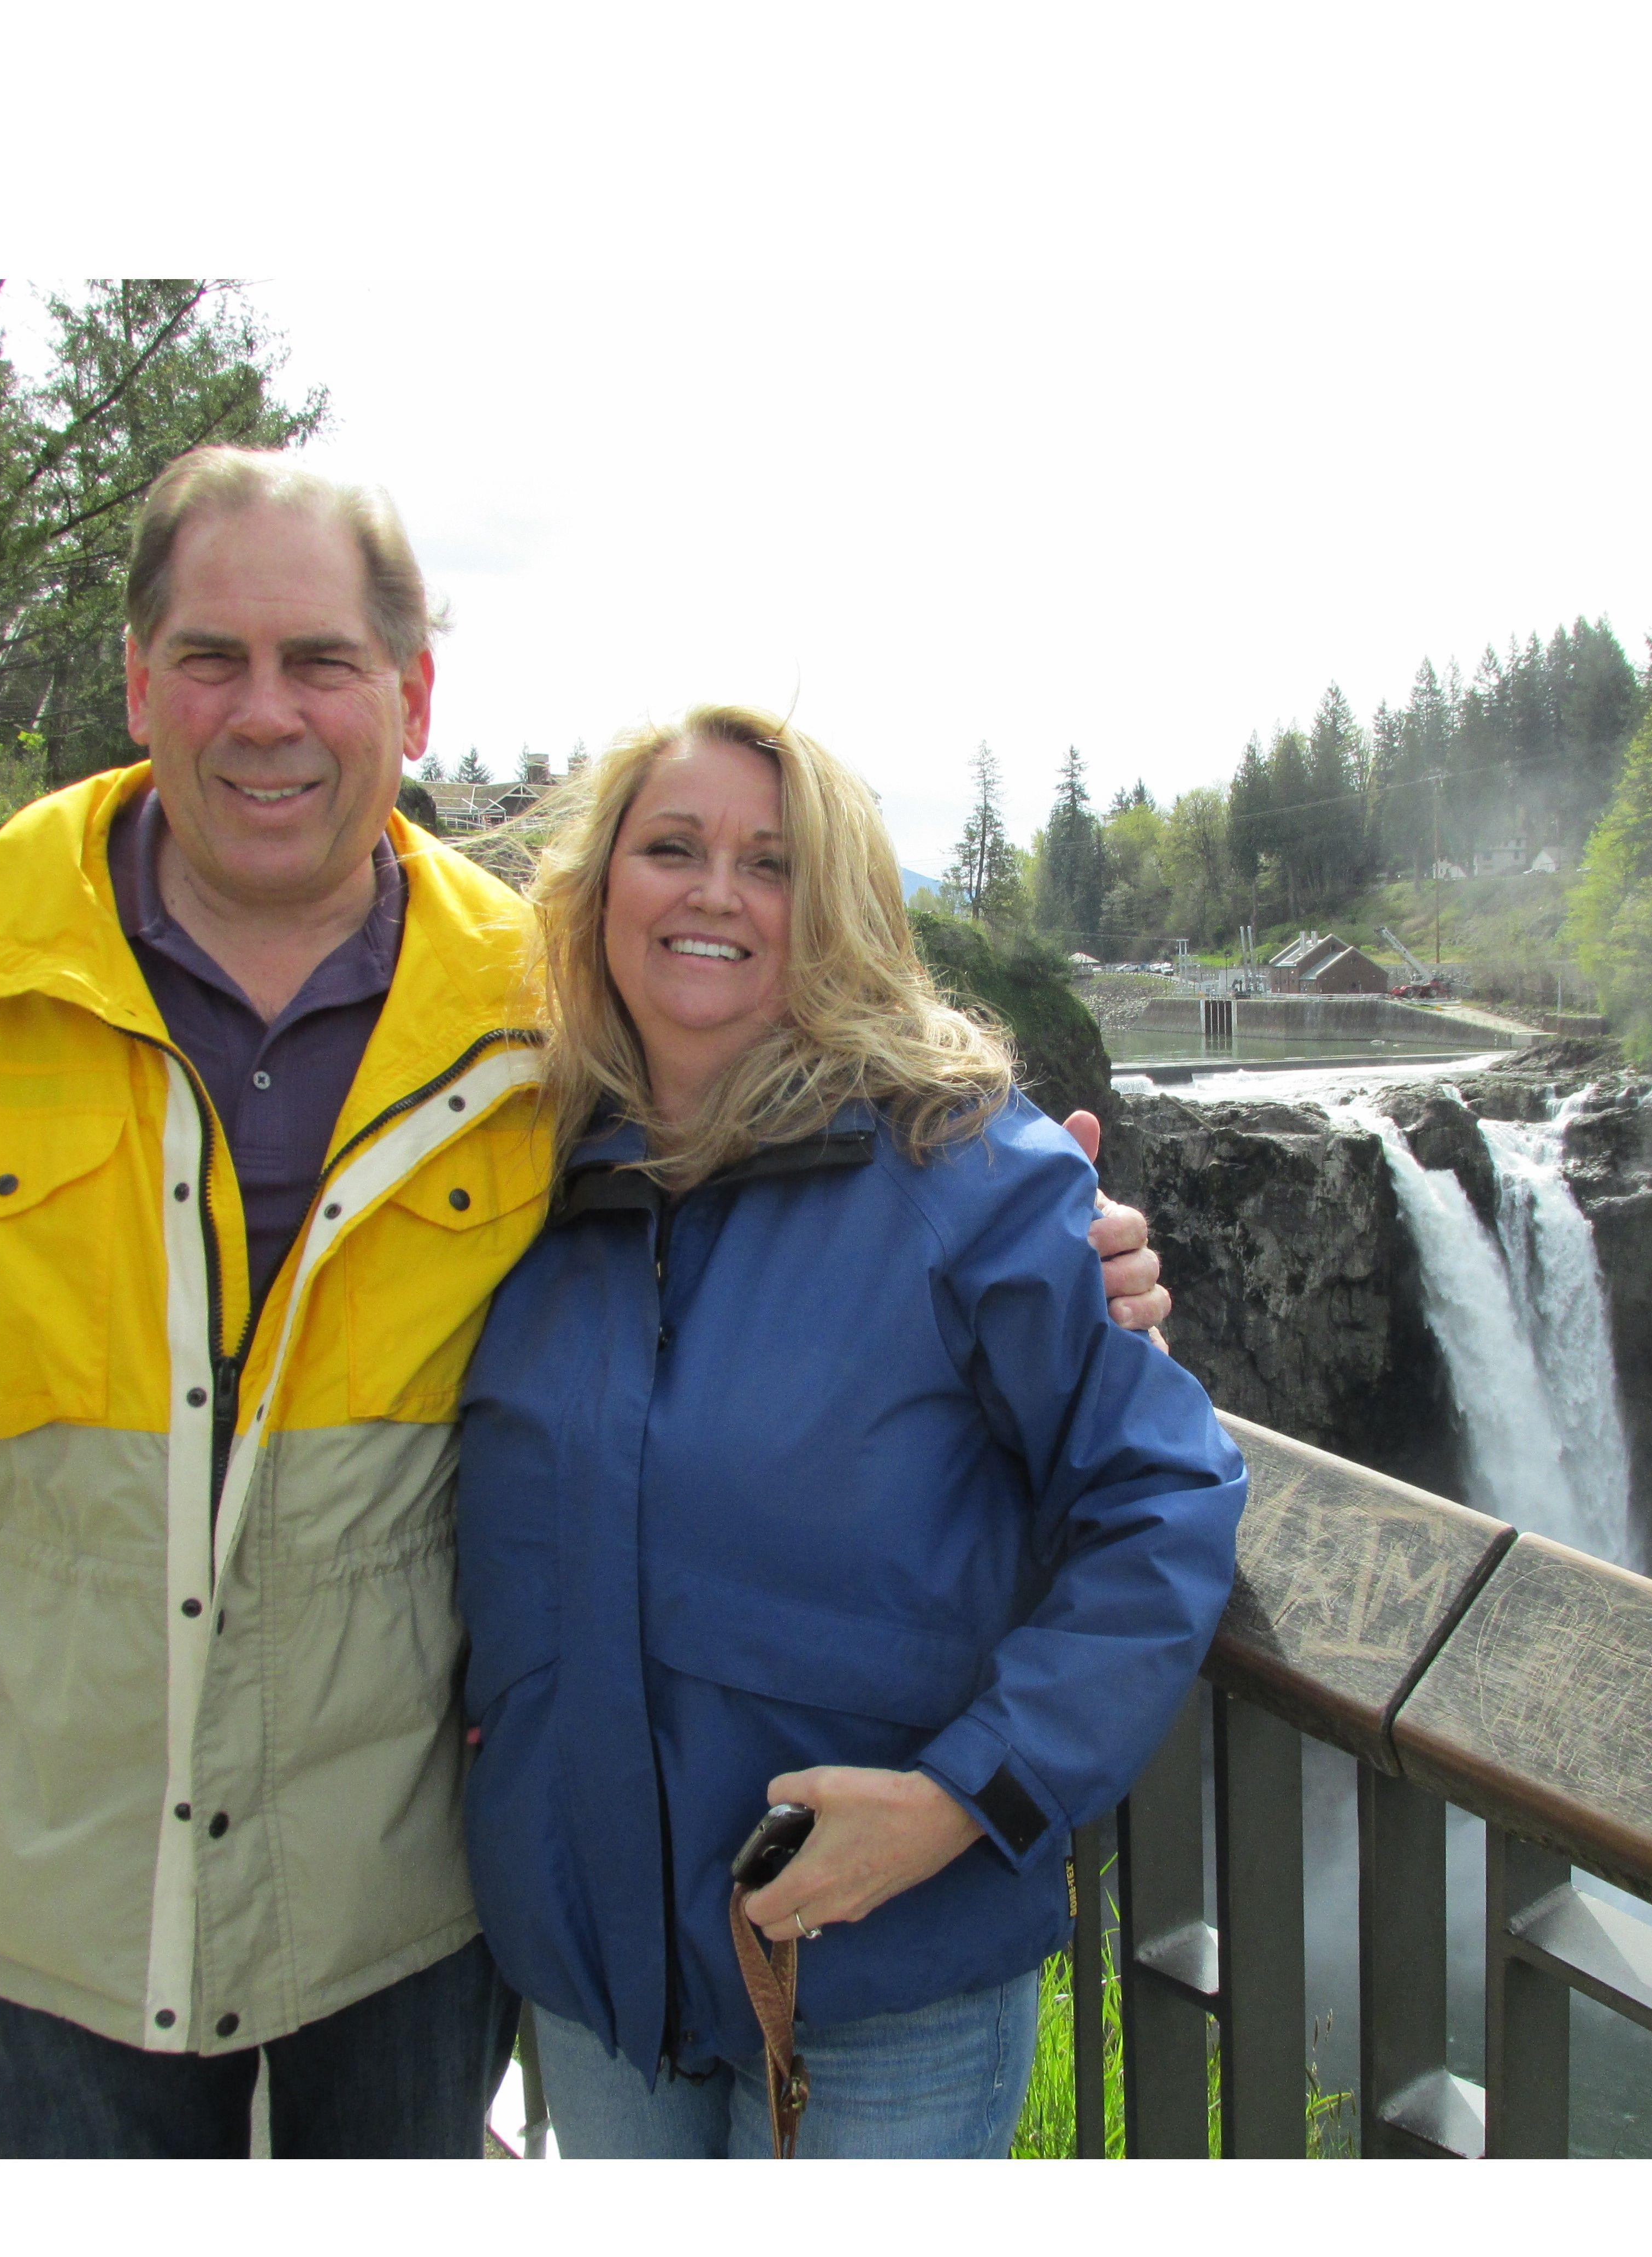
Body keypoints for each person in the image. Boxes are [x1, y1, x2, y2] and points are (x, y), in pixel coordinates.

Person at [0, 447, 1170, 2158]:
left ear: (409, 697)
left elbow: (1094, 1437)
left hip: (405, 1908)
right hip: (56, 1871)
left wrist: (1070, 1247)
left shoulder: (537, 1033)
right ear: (138, 680)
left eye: (322, 661)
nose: (267, 712)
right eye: (213, 658)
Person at [456, 705, 1245, 2157]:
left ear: (840, 917)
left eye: (776, 864)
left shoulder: (968, 1172)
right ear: (600, 892)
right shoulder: (510, 1173)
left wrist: (970, 1797)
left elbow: (1167, 1499)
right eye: (673, 849)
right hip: (596, 1976)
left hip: (888, 1988)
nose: (715, 892)